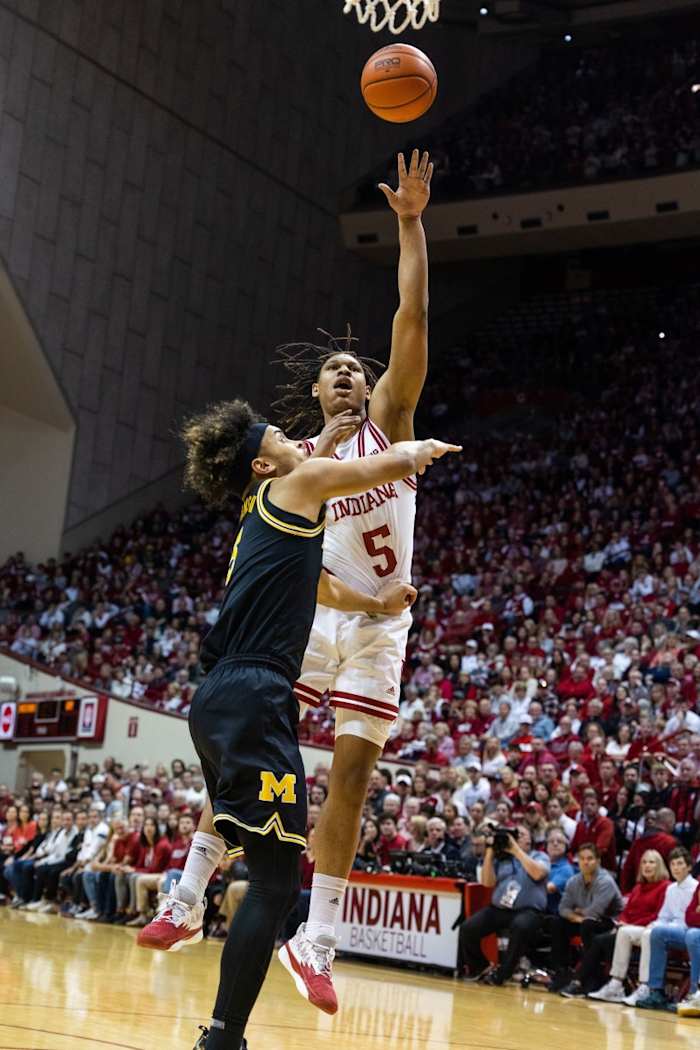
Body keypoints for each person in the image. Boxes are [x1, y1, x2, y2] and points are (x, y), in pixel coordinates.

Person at [140, 396, 458, 1050]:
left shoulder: (262, 508)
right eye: (284, 435)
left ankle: (193, 914)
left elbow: (320, 584)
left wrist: (373, 600)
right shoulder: (300, 481)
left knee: (263, 863)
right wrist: (416, 453)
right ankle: (223, 1037)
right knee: (277, 882)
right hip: (258, 694)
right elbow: (368, 472)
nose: (298, 439)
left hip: (217, 697)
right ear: (264, 459)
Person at [279, 149, 436, 1015]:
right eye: (334, 370)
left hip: (382, 626)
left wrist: (410, 223)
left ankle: (320, 936)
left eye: (359, 368)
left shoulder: (394, 425)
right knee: (255, 743)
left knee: (350, 781)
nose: (351, 373)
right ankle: (192, 887)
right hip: (319, 614)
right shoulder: (295, 465)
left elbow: (410, 311)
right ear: (315, 391)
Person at [457, 824, 550, 985]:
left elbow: (537, 873)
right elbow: (487, 882)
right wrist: (490, 851)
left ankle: (502, 974)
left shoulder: (539, 856)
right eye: (515, 835)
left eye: (521, 834)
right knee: (468, 928)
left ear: (530, 839)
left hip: (529, 911)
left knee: (520, 926)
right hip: (499, 909)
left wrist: (515, 850)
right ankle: (480, 967)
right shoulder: (502, 859)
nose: (516, 837)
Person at [584, 850, 671, 1003]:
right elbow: (627, 911)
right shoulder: (638, 887)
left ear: (660, 866)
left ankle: (644, 986)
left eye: (651, 862)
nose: (647, 866)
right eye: (644, 862)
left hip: (652, 928)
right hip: (633, 929)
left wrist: (631, 924)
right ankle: (616, 984)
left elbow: (659, 915)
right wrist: (622, 922)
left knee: (612, 938)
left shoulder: (665, 887)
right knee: (618, 932)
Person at [549, 842, 624, 995]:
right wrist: (577, 916)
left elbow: (595, 912)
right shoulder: (574, 881)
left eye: (590, 858)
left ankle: (589, 979)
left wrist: (578, 912)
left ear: (598, 861)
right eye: (582, 858)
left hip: (610, 924)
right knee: (556, 922)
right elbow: (563, 908)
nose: (585, 862)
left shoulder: (605, 881)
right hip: (584, 921)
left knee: (588, 925)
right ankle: (562, 972)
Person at [636, 847, 699, 1012]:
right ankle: (656, 990)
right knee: (655, 932)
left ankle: (693, 992)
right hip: (677, 930)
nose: (676, 868)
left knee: (678, 934)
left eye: (680, 864)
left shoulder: (695, 887)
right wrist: (652, 926)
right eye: (673, 864)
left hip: (689, 930)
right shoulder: (671, 888)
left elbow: (691, 919)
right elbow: (664, 916)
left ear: (689, 867)